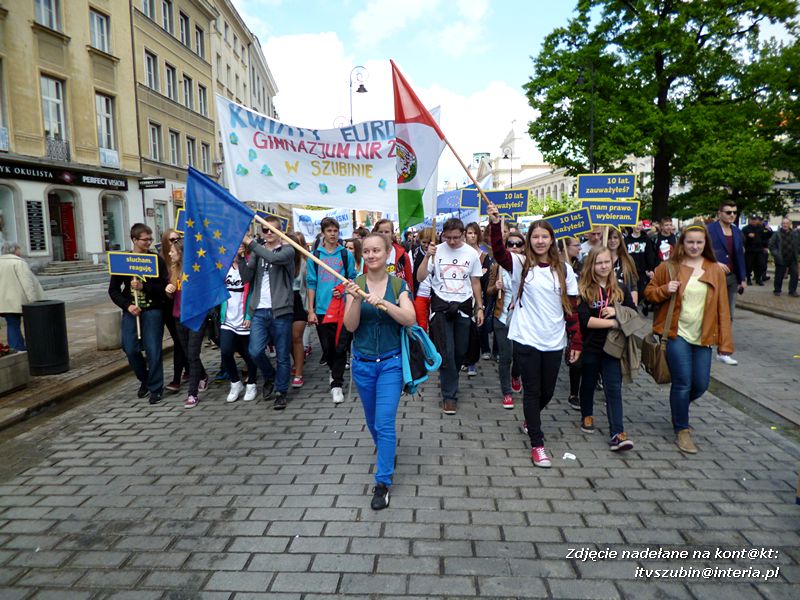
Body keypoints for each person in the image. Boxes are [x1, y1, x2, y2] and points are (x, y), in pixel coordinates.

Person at [487, 204, 582, 468]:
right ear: (529, 240)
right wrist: (496, 225)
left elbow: (571, 308)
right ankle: (538, 444)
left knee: (548, 392)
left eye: (544, 236)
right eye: (535, 236)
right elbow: (498, 252)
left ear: (551, 240)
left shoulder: (564, 269)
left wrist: (576, 341)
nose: (540, 241)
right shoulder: (520, 263)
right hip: (526, 337)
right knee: (532, 391)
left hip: (554, 339)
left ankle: (531, 420)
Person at [644, 223, 733, 454]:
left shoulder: (715, 269)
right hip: (676, 333)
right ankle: (682, 429)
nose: (694, 246)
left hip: (703, 336)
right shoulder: (669, 267)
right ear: (682, 243)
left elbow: (723, 308)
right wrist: (665, 289)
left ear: (705, 244)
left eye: (699, 242)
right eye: (690, 242)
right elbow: (649, 293)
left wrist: (725, 343)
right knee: (683, 382)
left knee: (701, 384)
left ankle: (678, 408)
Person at [343, 233, 417, 510]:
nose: (372, 255)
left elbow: (409, 318)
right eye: (367, 251)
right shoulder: (356, 285)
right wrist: (354, 300)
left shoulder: (399, 285)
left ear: (388, 253)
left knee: (384, 423)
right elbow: (350, 327)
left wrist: (383, 303)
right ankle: (387, 451)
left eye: (377, 250)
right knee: (374, 423)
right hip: (362, 364)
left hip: (391, 364)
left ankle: (383, 481)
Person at [417, 218, 484, 415]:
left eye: (456, 237)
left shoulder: (471, 254)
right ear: (443, 235)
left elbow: (475, 282)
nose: (452, 242)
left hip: (463, 306)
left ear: (463, 234)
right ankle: (449, 395)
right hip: (441, 306)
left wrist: (479, 307)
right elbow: (420, 277)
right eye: (448, 238)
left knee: (459, 352)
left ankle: (451, 380)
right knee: (446, 351)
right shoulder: (436, 250)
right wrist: (426, 257)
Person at [577, 247, 637, 451]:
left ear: (612, 264)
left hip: (614, 348)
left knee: (613, 389)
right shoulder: (584, 289)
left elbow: (634, 314)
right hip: (591, 347)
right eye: (598, 263)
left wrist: (617, 312)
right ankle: (587, 414)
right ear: (591, 265)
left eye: (606, 262)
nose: (603, 266)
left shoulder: (621, 288)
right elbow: (586, 321)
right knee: (588, 383)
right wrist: (613, 323)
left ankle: (617, 433)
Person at [108, 224, 168, 405]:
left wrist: (145, 287)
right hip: (132, 311)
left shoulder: (156, 260)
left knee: (153, 349)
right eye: (145, 240)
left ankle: (156, 388)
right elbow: (113, 290)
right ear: (134, 240)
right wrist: (127, 306)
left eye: (150, 239)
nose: (148, 243)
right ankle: (146, 380)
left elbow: (164, 287)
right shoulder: (123, 261)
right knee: (130, 348)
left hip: (153, 310)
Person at [240, 217, 295, 409]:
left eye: (273, 230)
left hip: (281, 310)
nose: (269, 233)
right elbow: (247, 277)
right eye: (265, 230)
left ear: (280, 232)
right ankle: (270, 375)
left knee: (282, 354)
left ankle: (281, 391)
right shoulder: (257, 251)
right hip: (259, 310)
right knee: (254, 351)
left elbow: (274, 258)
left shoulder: (288, 250)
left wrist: (251, 243)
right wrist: (240, 257)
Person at [307, 216, 357, 404]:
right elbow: (311, 282)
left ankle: (336, 384)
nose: (333, 234)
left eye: (335, 231)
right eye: (329, 231)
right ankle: (332, 368)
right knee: (327, 347)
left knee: (340, 346)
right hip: (321, 307)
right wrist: (310, 310)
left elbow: (352, 278)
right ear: (323, 233)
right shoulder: (316, 256)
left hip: (342, 308)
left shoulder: (346, 255)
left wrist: (343, 289)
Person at [165, 237, 209, 408]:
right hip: (179, 316)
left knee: (192, 354)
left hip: (196, 317)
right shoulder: (173, 270)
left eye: (173, 251)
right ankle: (203, 375)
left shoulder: (195, 270)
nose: (169, 253)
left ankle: (192, 394)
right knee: (189, 353)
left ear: (182, 253)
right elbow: (172, 295)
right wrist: (169, 291)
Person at [486, 231, 525, 409]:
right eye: (511, 244)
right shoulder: (498, 267)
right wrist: (496, 287)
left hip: (522, 317)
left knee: (520, 356)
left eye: (518, 244)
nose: (515, 247)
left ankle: (516, 375)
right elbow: (488, 291)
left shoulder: (528, 267)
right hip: (501, 316)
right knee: (505, 357)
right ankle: (507, 392)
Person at [707, 202, 746, 365]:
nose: (732, 215)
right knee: (709, 311)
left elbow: (739, 256)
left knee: (728, 314)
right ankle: (706, 341)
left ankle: (723, 350)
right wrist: (714, 263)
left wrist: (742, 278)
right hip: (712, 276)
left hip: (731, 277)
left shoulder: (737, 231)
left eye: (734, 213)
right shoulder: (709, 230)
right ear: (720, 213)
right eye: (728, 212)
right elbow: (701, 251)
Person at [220, 243, 258, 403]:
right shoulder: (223, 266)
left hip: (244, 317)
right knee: (226, 351)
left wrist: (249, 316)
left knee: (249, 354)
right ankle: (235, 383)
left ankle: (252, 383)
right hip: (227, 318)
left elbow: (253, 291)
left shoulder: (249, 264)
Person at [0, 242, 45, 351]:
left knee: (12, 324)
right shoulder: (18, 263)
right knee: (31, 325)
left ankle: (17, 347)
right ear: (14, 250)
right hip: (19, 300)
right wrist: (33, 301)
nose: (20, 251)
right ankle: (29, 347)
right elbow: (27, 284)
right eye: (19, 248)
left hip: (4, 301)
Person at [159, 229, 188, 393]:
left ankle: (180, 376)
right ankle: (187, 372)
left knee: (182, 343)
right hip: (167, 307)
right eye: (171, 240)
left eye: (178, 239)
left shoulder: (182, 261)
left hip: (180, 307)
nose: (174, 242)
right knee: (180, 342)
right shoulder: (161, 260)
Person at [561, 236, 583, 410]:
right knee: (575, 353)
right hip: (567, 313)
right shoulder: (560, 266)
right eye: (576, 245)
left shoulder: (582, 265)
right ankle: (574, 392)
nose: (580, 249)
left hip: (585, 312)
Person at [287, 231, 310, 389]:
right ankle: (295, 360)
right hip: (282, 301)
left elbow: (308, 286)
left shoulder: (303, 262)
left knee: (296, 337)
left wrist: (310, 309)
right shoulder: (279, 261)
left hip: (298, 301)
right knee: (285, 338)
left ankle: (299, 372)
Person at [372, 219, 415, 292]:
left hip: (398, 297)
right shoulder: (370, 255)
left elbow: (409, 281)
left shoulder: (402, 255)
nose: (383, 234)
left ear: (392, 234)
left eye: (386, 232)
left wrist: (409, 299)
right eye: (380, 232)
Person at [624, 221, 655, 302]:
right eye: (636, 225)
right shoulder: (626, 240)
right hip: (629, 271)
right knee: (630, 291)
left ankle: (643, 305)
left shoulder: (646, 239)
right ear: (632, 226)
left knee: (641, 292)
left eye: (640, 225)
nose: (638, 227)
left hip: (642, 271)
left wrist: (651, 269)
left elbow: (649, 255)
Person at [768, 218, 800, 297]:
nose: (785, 225)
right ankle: (777, 290)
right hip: (781, 257)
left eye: (786, 223)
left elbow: (798, 244)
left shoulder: (795, 233)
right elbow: (771, 245)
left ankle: (792, 291)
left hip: (792, 257)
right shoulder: (777, 234)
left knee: (795, 274)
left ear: (790, 224)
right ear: (781, 224)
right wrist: (776, 254)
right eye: (783, 223)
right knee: (779, 275)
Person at [607, 228, 639, 304]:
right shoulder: (601, 259)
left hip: (624, 302)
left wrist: (633, 307)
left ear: (620, 239)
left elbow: (633, 286)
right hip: (606, 302)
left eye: (615, 237)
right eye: (609, 238)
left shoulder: (628, 259)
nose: (612, 241)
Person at [742, 215, 768, 285]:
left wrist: (765, 246)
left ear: (757, 220)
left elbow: (765, 238)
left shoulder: (761, 228)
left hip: (759, 250)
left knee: (761, 265)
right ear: (749, 220)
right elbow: (741, 239)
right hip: (749, 250)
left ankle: (758, 279)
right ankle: (748, 279)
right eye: (752, 219)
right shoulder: (745, 229)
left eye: (755, 219)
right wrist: (747, 236)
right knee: (749, 265)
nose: (753, 221)